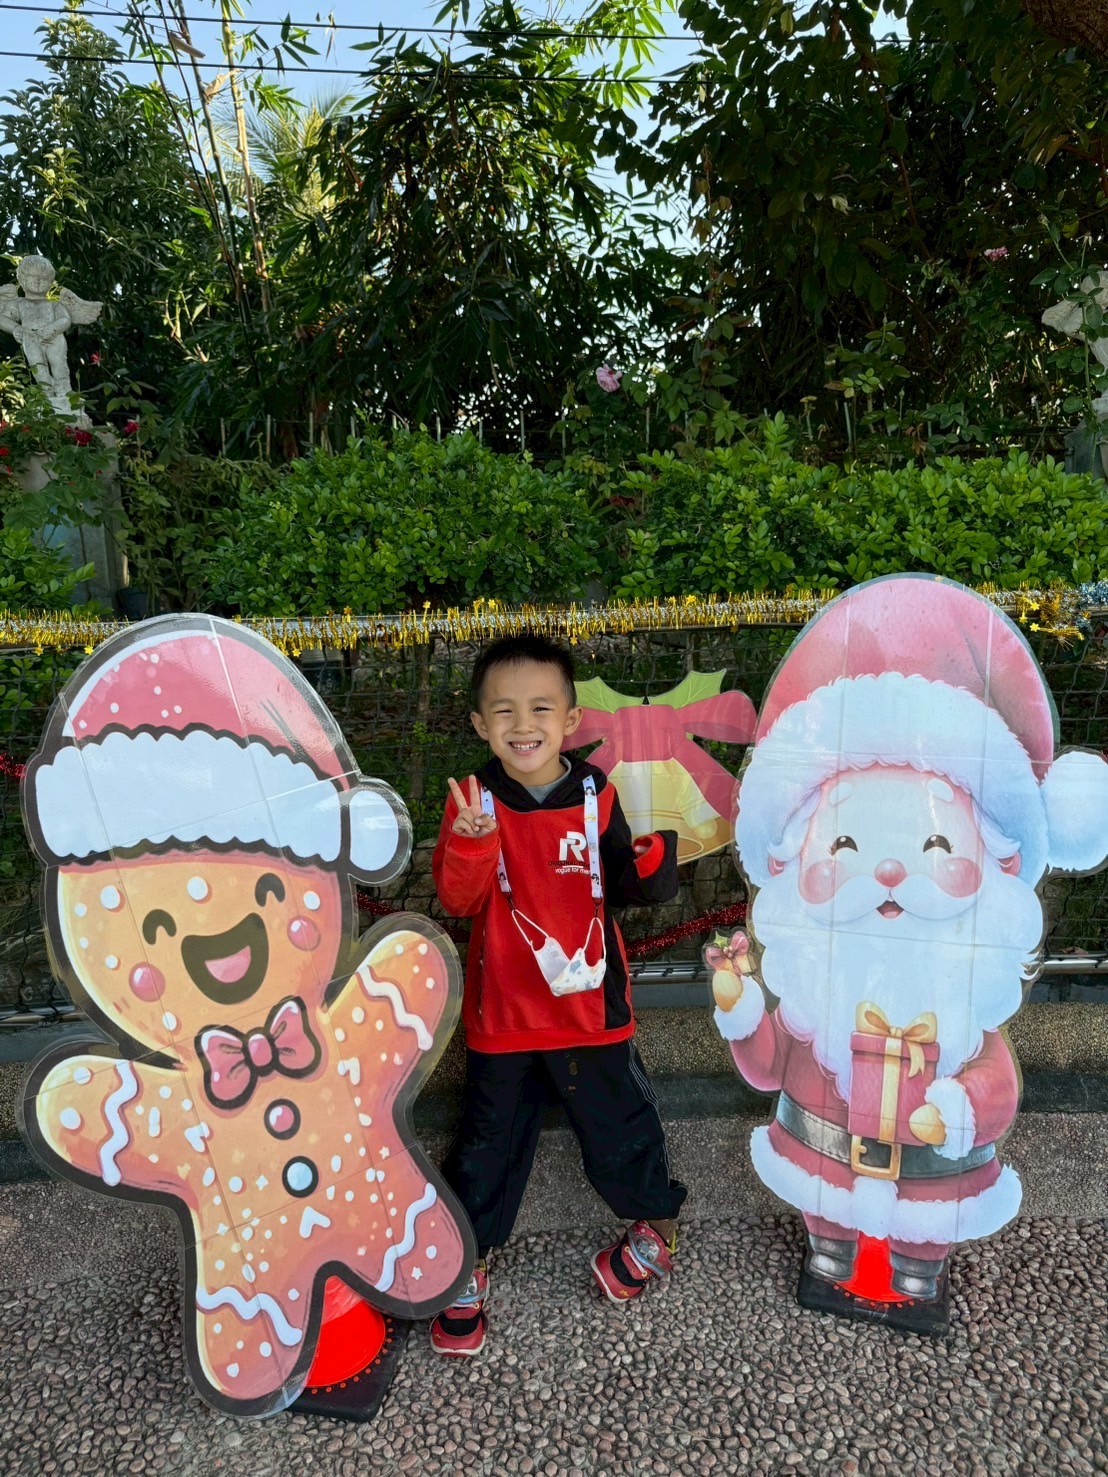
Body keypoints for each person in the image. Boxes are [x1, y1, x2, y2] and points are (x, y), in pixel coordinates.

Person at [429, 633, 687, 1356]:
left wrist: (651, 869)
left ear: (571, 719)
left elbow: (623, 883)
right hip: (504, 1014)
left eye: (541, 708)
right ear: (480, 723)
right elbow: (457, 898)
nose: (524, 724)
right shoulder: (473, 800)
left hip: (589, 1010)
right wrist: (472, 842)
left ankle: (657, 1228)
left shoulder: (597, 792)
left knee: (621, 1125)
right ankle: (466, 1261)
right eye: (504, 710)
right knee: (487, 1144)